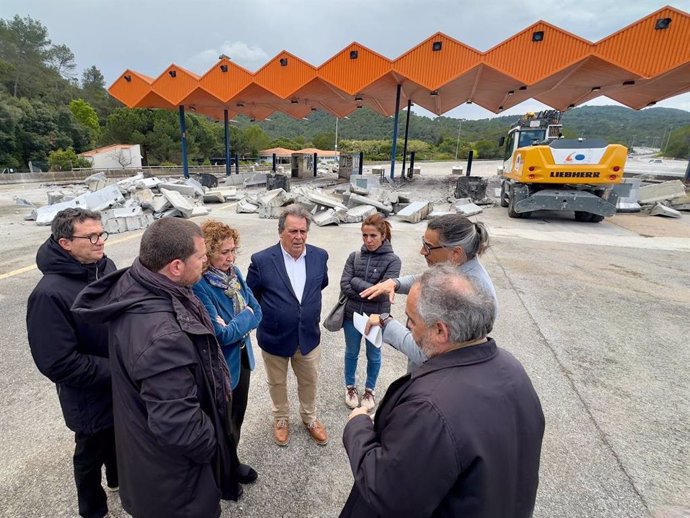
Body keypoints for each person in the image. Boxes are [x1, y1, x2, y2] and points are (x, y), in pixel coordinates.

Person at [340, 265, 545, 517]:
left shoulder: (430, 407)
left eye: (412, 320)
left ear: (440, 330)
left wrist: (357, 426)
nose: (408, 327)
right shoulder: (512, 369)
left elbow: (386, 491)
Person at [72, 218, 240, 518]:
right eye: (201, 258)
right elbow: (178, 424)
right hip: (174, 484)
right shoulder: (162, 336)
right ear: (176, 266)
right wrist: (212, 446)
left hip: (146, 461)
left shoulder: (138, 286)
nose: (206, 263)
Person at [26, 208, 117, 518]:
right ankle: (93, 508)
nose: (99, 241)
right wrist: (117, 369)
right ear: (65, 243)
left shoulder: (106, 267)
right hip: (88, 396)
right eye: (90, 236)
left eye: (101, 233)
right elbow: (58, 362)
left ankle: (118, 480)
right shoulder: (48, 294)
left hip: (119, 385)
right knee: (89, 454)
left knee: (119, 439)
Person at [361, 213, 497, 370]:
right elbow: (426, 280)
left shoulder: (470, 290)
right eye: (423, 243)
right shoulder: (460, 270)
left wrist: (386, 323)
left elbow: (425, 354)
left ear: (455, 253)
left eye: (428, 247)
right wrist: (395, 283)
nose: (422, 251)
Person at [246, 204, 329, 446]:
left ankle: (309, 418)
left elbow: (320, 285)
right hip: (274, 337)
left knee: (309, 381)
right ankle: (281, 417)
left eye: (303, 231)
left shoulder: (319, 256)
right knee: (277, 382)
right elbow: (253, 294)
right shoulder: (261, 260)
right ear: (281, 232)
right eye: (293, 231)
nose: (299, 237)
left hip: (308, 337)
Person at [193, 220, 262, 484]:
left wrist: (238, 321)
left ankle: (231, 461)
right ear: (208, 253)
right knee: (222, 422)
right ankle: (223, 470)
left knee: (237, 416)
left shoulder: (235, 274)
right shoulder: (201, 285)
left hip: (243, 358)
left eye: (233, 250)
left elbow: (258, 311)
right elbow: (220, 335)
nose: (230, 257)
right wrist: (244, 318)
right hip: (221, 364)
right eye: (223, 252)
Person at [339, 213, 401, 410]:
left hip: (377, 318)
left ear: (383, 235)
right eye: (364, 236)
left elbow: (383, 294)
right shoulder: (354, 256)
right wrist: (371, 288)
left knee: (374, 355)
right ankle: (350, 387)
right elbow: (344, 285)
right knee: (351, 352)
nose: (368, 240)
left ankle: (369, 390)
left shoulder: (393, 260)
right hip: (352, 315)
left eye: (373, 235)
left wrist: (356, 282)